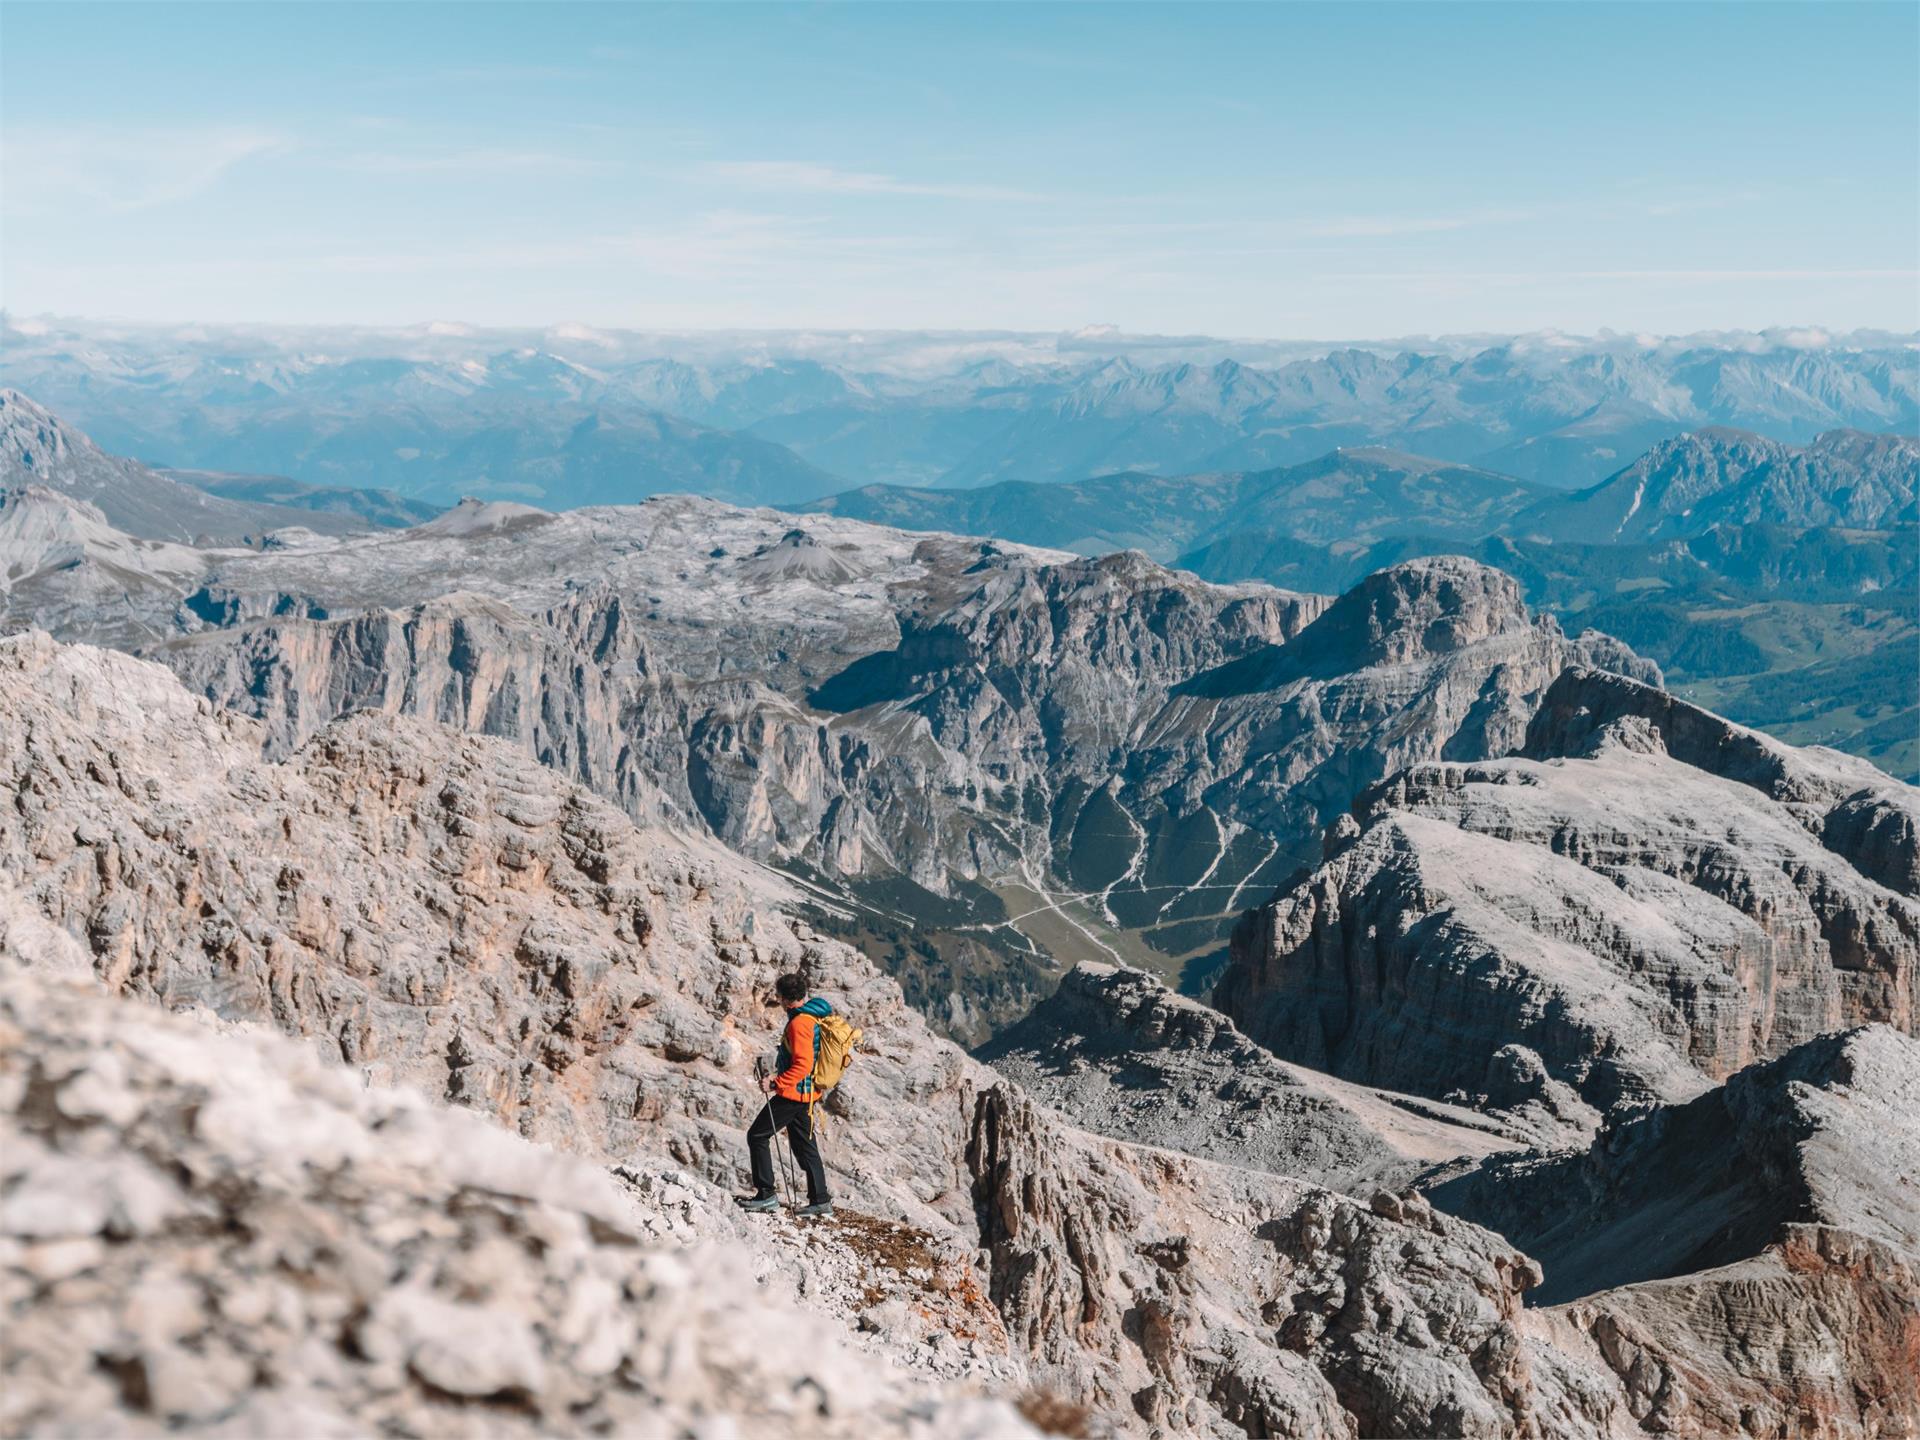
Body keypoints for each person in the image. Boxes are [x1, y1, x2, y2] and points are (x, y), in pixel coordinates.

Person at [738, 971, 834, 1217]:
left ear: (785, 999)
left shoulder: (799, 1023)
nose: (777, 999)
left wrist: (776, 1083)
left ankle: (766, 1195)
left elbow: (802, 1065)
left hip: (793, 1095)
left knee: (757, 1136)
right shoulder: (810, 1015)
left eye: (778, 996)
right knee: (806, 1147)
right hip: (806, 1095)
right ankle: (820, 1200)